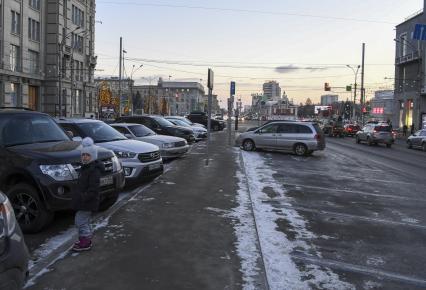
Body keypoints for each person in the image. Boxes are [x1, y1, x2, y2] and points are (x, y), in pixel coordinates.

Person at [72, 137, 103, 252]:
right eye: (83, 155)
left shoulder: (93, 171)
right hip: (84, 200)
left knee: (80, 221)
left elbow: (93, 188)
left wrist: (83, 197)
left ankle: (85, 242)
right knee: (84, 221)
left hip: (88, 201)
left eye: (87, 155)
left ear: (93, 156)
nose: (84, 157)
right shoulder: (85, 168)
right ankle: (85, 239)